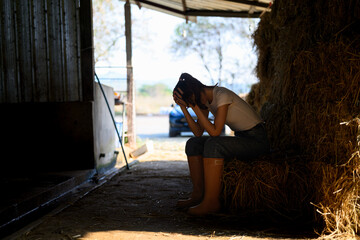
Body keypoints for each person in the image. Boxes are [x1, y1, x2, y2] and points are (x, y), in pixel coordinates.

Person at [173, 73, 270, 216]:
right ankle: (198, 195)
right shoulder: (204, 100)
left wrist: (194, 106)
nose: (195, 105)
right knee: (193, 144)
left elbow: (215, 132)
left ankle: (211, 202)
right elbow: (198, 132)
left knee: (214, 144)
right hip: (241, 138)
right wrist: (184, 108)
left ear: (196, 92)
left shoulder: (221, 95)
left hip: (256, 140)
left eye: (192, 101)